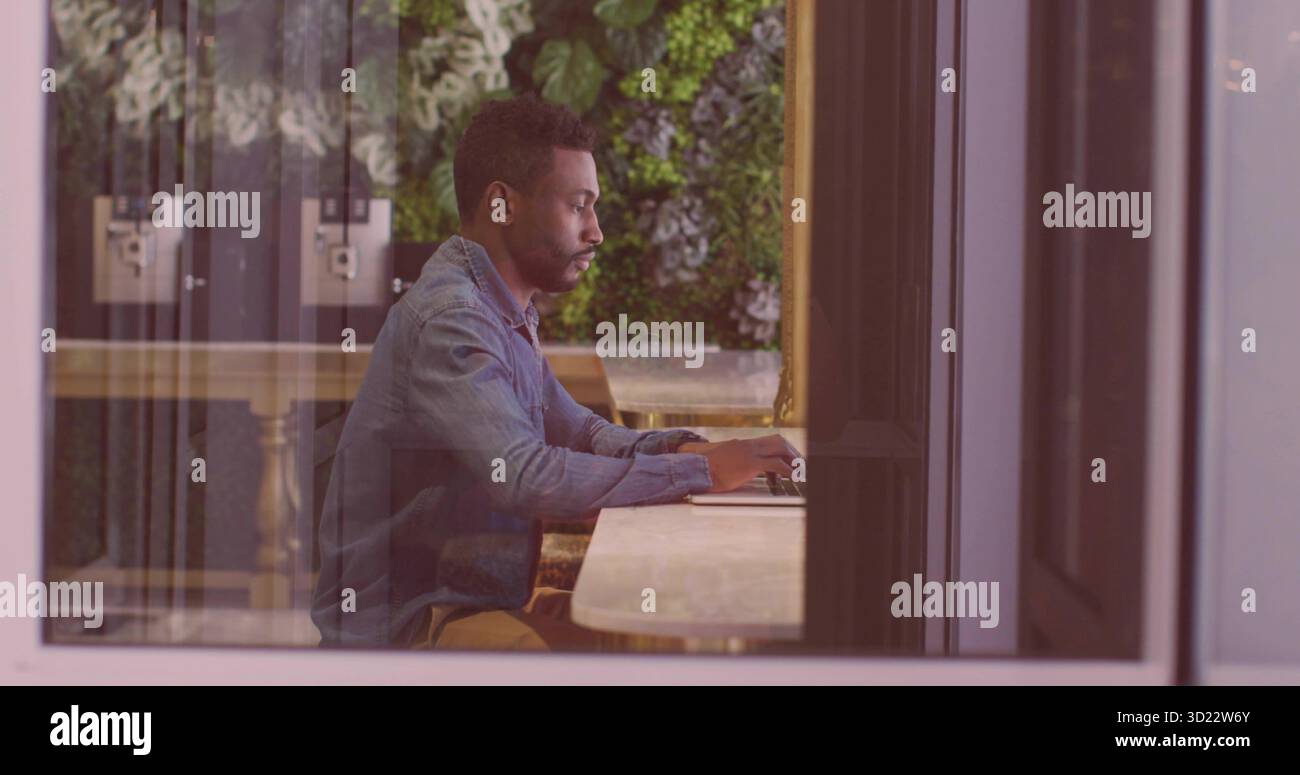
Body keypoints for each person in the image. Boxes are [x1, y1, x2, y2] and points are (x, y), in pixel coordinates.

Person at [311, 94, 800, 652]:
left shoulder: (500, 306)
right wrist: (702, 476)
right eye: (578, 206)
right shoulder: (455, 320)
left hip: (469, 596)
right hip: (409, 628)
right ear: (502, 205)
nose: (596, 232)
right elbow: (523, 476)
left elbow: (582, 431)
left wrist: (692, 452)